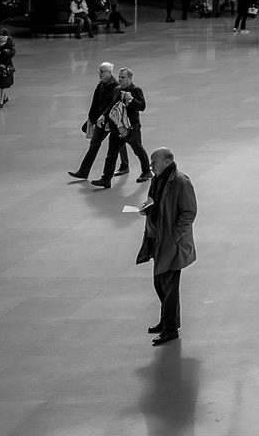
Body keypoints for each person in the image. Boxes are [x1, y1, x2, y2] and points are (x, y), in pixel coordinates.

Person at [137, 147, 196, 347]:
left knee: (169, 287)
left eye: (154, 162)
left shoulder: (180, 182)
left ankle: (170, 329)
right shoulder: (157, 179)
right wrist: (147, 209)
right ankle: (167, 321)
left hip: (171, 243)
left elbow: (188, 212)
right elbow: (157, 203)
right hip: (157, 240)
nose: (151, 166)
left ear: (168, 162)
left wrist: (175, 236)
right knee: (159, 283)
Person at [96, 67, 151, 186]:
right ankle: (106, 178)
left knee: (138, 149)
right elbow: (112, 105)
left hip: (132, 127)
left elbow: (142, 107)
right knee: (111, 153)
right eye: (119, 77)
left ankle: (146, 171)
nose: (120, 79)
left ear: (130, 78)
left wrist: (131, 100)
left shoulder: (136, 90)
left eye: (123, 77)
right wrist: (104, 116)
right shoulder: (117, 90)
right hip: (117, 126)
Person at [69, 65, 122, 183]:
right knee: (96, 143)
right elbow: (95, 102)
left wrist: (105, 116)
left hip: (109, 120)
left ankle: (125, 166)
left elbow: (113, 104)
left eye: (102, 72)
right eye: (99, 72)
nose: (100, 74)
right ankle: (84, 171)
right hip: (100, 120)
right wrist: (91, 118)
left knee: (117, 144)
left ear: (109, 72)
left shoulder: (116, 87)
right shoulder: (101, 85)